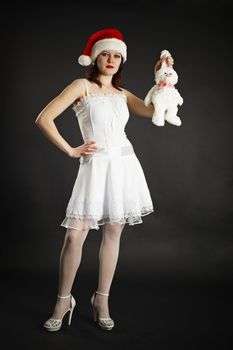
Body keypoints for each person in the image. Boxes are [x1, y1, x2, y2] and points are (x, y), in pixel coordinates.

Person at [35, 28, 174, 332]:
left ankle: (102, 300)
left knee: (113, 234)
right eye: (105, 54)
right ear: (95, 57)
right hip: (95, 166)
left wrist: (162, 76)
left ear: (121, 61)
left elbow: (153, 111)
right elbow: (44, 118)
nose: (111, 59)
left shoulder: (122, 95)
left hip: (124, 165)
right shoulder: (81, 86)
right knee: (74, 235)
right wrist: (70, 150)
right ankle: (63, 300)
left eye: (116, 55)